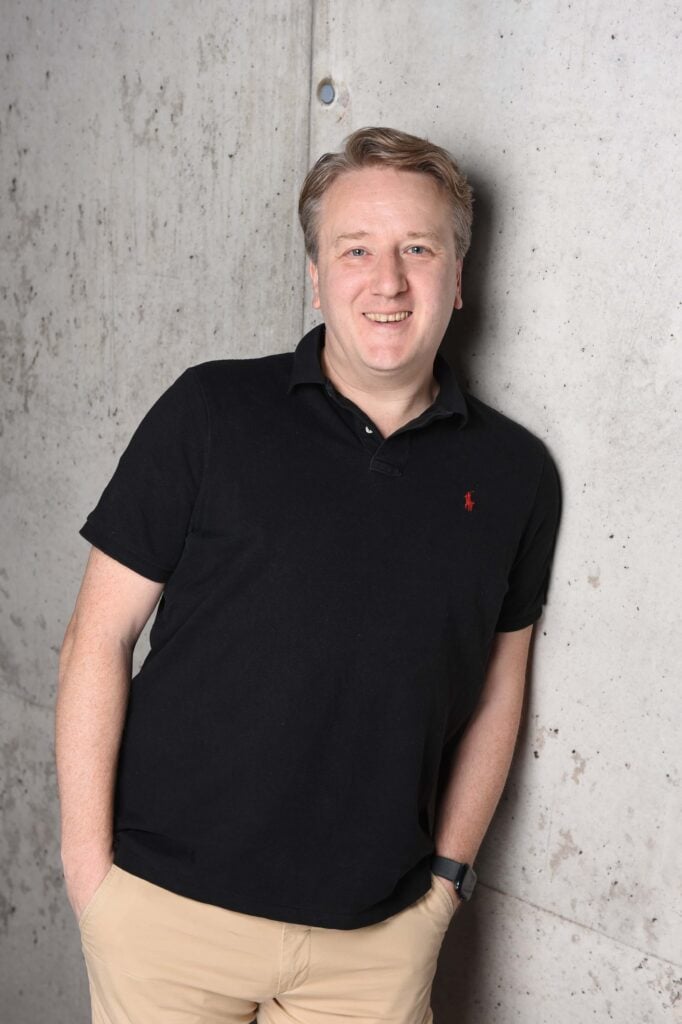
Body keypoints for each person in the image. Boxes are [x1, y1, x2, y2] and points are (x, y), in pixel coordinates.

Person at [55, 126, 561, 1023]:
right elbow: (98, 636)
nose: (388, 280)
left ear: (458, 275)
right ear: (316, 275)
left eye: (418, 249)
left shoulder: (516, 475)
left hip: (376, 943)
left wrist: (445, 884)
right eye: (355, 249)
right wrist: (89, 875)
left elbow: (499, 686)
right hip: (166, 918)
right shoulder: (211, 412)